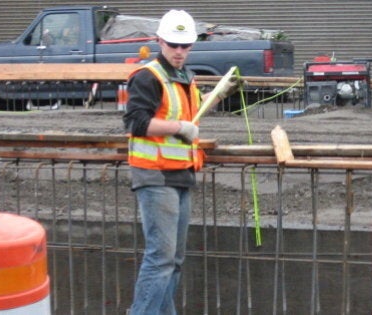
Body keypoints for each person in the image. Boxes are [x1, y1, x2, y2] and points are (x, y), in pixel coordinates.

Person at [123, 9, 241, 315]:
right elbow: (136, 122)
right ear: (160, 41)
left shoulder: (184, 77)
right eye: (174, 44)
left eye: (185, 45)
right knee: (161, 259)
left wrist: (218, 95)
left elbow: (191, 116)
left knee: (172, 261)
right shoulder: (148, 77)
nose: (179, 51)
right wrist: (179, 129)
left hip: (180, 175)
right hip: (155, 176)